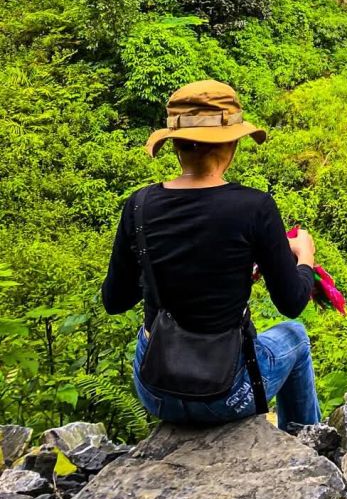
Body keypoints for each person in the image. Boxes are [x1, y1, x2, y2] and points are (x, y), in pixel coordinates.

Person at [102, 80, 321, 430]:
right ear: (231, 144)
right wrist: (305, 257)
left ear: (174, 146)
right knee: (294, 334)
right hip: (226, 394)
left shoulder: (139, 205)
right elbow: (292, 301)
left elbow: (115, 300)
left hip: (157, 391)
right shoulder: (255, 207)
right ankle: (305, 442)